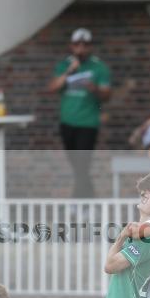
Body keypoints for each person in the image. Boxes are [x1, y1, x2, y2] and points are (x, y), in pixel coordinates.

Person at [48, 28, 112, 198]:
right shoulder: (65, 65)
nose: (81, 48)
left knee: (83, 163)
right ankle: (90, 199)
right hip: (67, 121)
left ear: (90, 46)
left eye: (85, 45)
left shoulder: (99, 67)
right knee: (76, 164)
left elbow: (107, 95)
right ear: (71, 46)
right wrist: (69, 71)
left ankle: (79, 202)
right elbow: (53, 87)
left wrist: (94, 88)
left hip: (88, 122)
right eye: (77, 44)